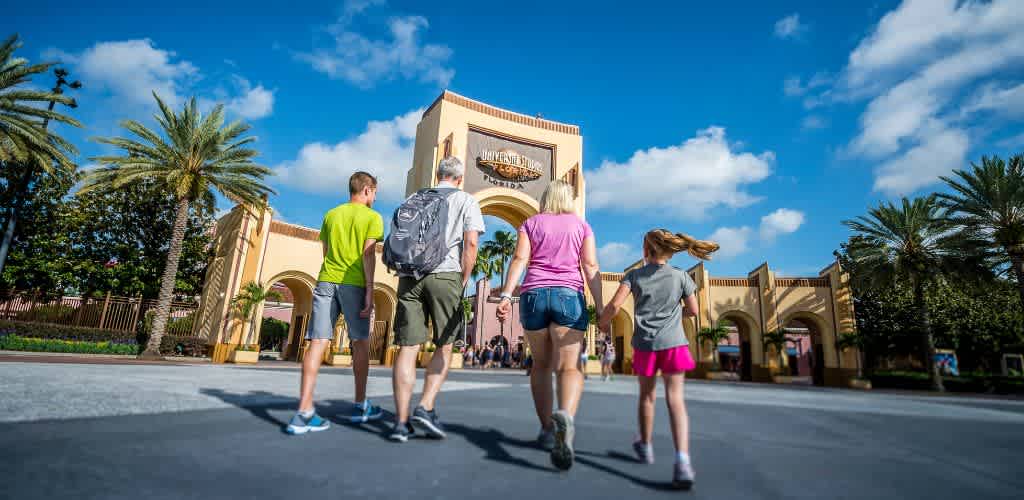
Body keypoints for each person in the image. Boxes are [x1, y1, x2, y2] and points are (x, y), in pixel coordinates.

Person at [599, 229, 718, 490]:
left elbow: (615, 305)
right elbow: (694, 311)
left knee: (647, 397)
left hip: (645, 346)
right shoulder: (681, 276)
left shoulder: (634, 276)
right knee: (676, 400)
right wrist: (675, 315)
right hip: (674, 344)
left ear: (645, 251)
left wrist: (603, 323)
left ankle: (645, 445)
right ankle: (683, 461)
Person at [496, 180, 603, 471]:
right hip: (569, 296)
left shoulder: (530, 223)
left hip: (532, 296)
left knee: (541, 365)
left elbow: (520, 258)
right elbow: (590, 266)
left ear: (546, 198)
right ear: (569, 199)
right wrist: (602, 306)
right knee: (569, 366)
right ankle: (565, 416)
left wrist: (506, 294)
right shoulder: (581, 226)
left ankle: (546, 429)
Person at [388, 157, 484, 443]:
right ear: (459, 178)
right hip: (446, 275)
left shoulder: (415, 197)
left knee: (407, 347)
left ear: (437, 174)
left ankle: (401, 422)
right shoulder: (466, 200)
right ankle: (425, 406)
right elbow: (471, 243)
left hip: (410, 276)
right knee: (444, 344)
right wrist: (464, 278)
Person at [286, 172, 385, 434]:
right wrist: (369, 291)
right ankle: (361, 404)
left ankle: (304, 411)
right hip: (354, 284)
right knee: (360, 342)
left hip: (326, 280)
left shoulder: (331, 215)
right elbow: (368, 257)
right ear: (366, 190)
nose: (375, 197)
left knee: (317, 342)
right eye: (374, 192)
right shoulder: (373, 217)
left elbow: (326, 253)